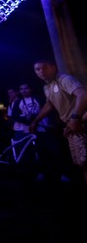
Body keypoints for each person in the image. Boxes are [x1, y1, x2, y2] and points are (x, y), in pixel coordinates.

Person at [30, 58, 87, 188]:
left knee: (85, 161)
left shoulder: (64, 79)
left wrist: (75, 118)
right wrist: (36, 120)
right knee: (82, 163)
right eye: (37, 69)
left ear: (53, 67)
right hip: (71, 126)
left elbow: (83, 95)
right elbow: (49, 104)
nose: (41, 71)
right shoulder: (47, 86)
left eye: (44, 67)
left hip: (80, 124)